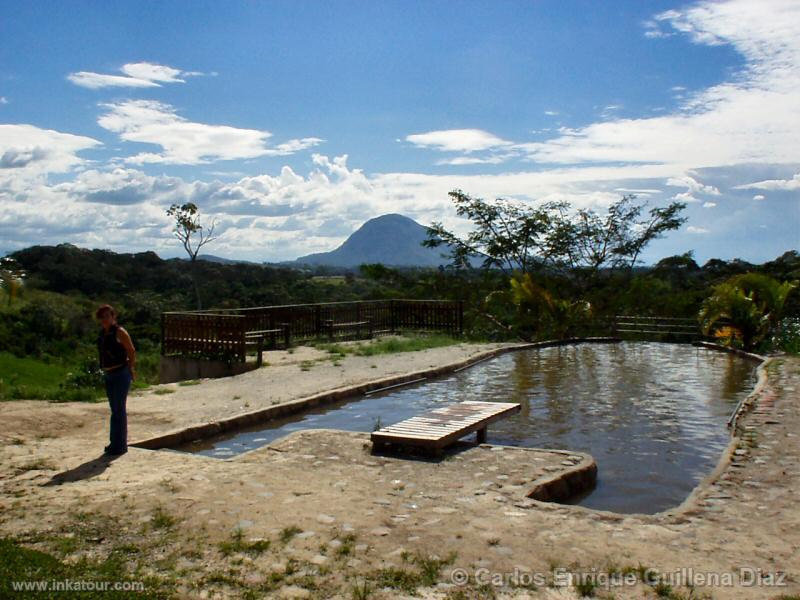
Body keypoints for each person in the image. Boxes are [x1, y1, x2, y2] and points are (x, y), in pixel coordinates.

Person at [96, 304, 136, 455]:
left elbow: (131, 351)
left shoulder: (119, 332)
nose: (105, 319)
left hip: (120, 373)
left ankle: (120, 445)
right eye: (102, 317)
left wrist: (131, 368)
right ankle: (114, 443)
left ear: (113, 317)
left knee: (119, 409)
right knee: (114, 410)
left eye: (108, 316)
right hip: (109, 374)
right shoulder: (103, 334)